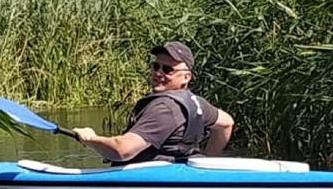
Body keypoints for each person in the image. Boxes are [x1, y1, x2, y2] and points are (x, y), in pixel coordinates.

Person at [72, 41, 234, 164]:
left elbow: (122, 150)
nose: (158, 73)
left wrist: (91, 139)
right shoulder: (196, 102)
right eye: (156, 66)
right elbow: (226, 123)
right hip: (172, 174)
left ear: (186, 77)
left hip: (147, 183)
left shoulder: (164, 108)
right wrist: (205, 161)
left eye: (167, 69)